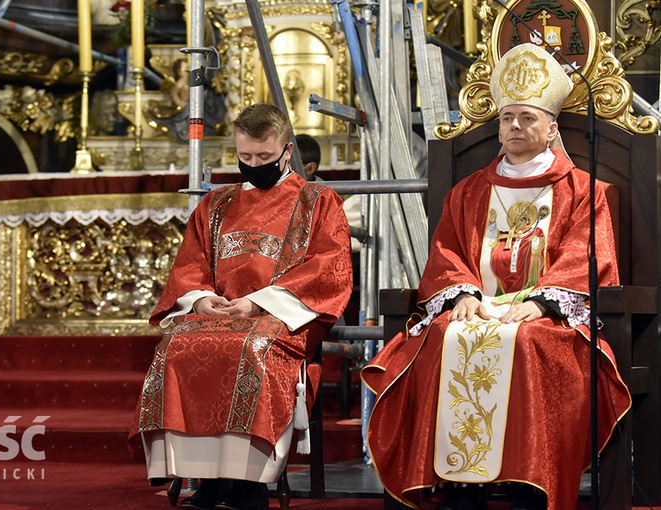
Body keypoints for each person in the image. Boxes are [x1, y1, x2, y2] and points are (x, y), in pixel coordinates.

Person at [360, 43, 631, 510]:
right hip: (477, 306)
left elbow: (588, 255)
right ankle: (460, 486)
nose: (515, 127)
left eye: (527, 117)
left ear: (551, 128)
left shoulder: (584, 191)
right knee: (444, 336)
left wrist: (541, 302)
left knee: (527, 343)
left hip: (548, 316)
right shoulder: (469, 192)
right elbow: (446, 251)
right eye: (507, 118)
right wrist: (462, 293)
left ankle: (530, 481)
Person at [129, 103, 353, 510]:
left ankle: (250, 483)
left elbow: (329, 269)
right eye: (244, 157)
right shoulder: (215, 205)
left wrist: (258, 304)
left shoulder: (318, 202)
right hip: (218, 315)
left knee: (250, 350)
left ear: (286, 150)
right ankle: (208, 479)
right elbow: (190, 264)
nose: (253, 165)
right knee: (174, 347)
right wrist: (201, 298)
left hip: (282, 318)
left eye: (264, 158)